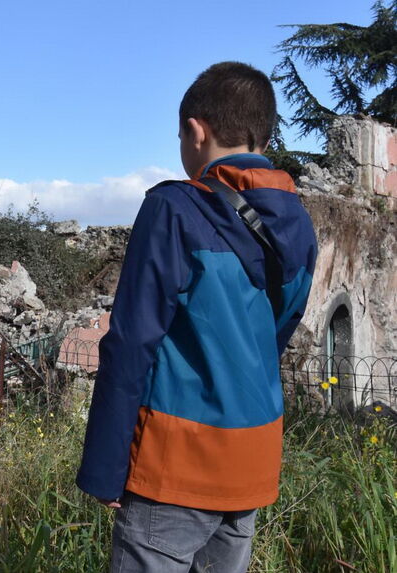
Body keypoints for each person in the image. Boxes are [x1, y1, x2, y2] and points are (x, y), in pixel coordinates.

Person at [77, 61, 317, 572]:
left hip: (175, 461)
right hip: (251, 457)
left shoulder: (174, 208)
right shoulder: (297, 218)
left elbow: (131, 341)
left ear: (195, 131)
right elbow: (278, 330)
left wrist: (104, 468)